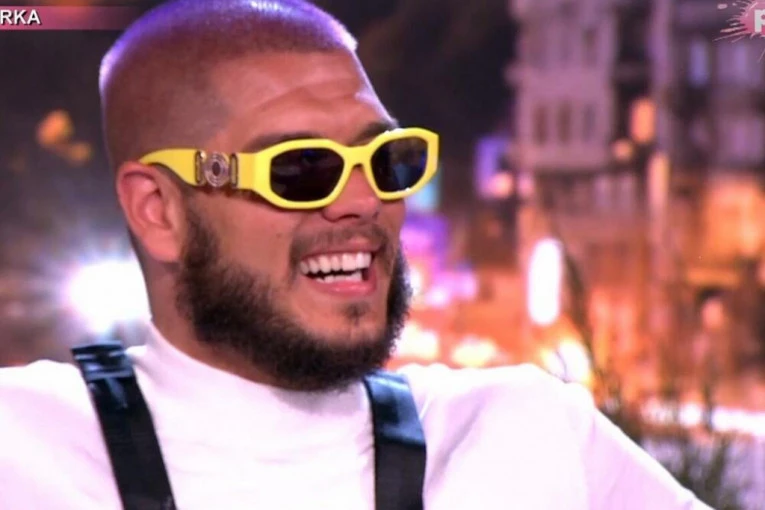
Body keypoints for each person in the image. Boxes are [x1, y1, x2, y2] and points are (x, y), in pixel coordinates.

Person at [0, 1, 713, 509]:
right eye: (300, 168)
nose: (363, 201)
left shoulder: (528, 433)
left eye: (386, 160)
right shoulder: (23, 445)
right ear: (159, 211)